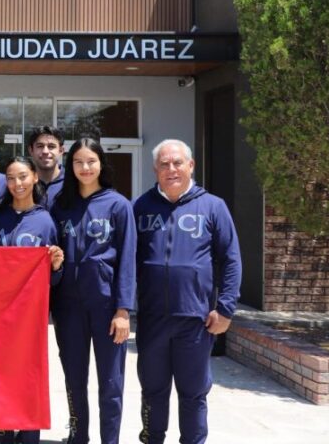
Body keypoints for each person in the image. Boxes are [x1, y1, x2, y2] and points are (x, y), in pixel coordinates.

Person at [134, 139, 241, 444]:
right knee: (152, 390)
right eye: (164, 164)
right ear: (155, 169)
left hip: (195, 320)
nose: (171, 169)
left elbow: (231, 259)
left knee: (193, 393)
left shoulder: (213, 206)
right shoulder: (140, 207)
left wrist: (225, 308)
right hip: (152, 318)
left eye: (177, 163)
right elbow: (127, 260)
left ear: (190, 166)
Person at [50, 137, 136, 444]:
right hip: (68, 307)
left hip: (106, 307)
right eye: (78, 162)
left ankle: (109, 440)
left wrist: (123, 310)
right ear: (70, 165)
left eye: (91, 161)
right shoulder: (60, 205)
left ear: (101, 164)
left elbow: (128, 259)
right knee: (74, 378)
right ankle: (78, 436)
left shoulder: (118, 205)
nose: (85, 168)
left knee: (111, 382)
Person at [0, 157, 63, 444]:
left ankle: (28, 432)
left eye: (23, 176)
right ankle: (2, 425)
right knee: (0, 371)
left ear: (35, 177)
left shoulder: (45, 220)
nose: (17, 184)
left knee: (28, 374)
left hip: (29, 314)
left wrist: (56, 266)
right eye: (11, 178)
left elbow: (53, 277)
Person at [26, 126, 65, 211]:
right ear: (31, 150)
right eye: (40, 146)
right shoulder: (23, 183)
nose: (45, 151)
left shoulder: (72, 182)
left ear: (61, 150)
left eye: (51, 146)